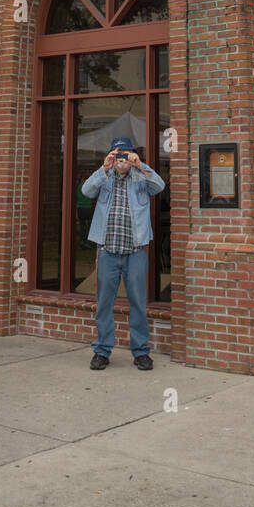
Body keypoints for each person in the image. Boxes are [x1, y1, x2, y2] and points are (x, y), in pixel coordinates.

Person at [81, 135, 165, 372]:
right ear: (111, 156)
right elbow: (86, 191)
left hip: (135, 252)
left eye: (125, 154)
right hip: (107, 251)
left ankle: (141, 352)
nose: (121, 159)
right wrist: (103, 168)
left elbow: (160, 186)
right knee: (104, 303)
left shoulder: (141, 178)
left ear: (132, 156)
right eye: (117, 154)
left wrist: (141, 165)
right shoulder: (104, 178)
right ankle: (102, 350)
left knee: (138, 302)